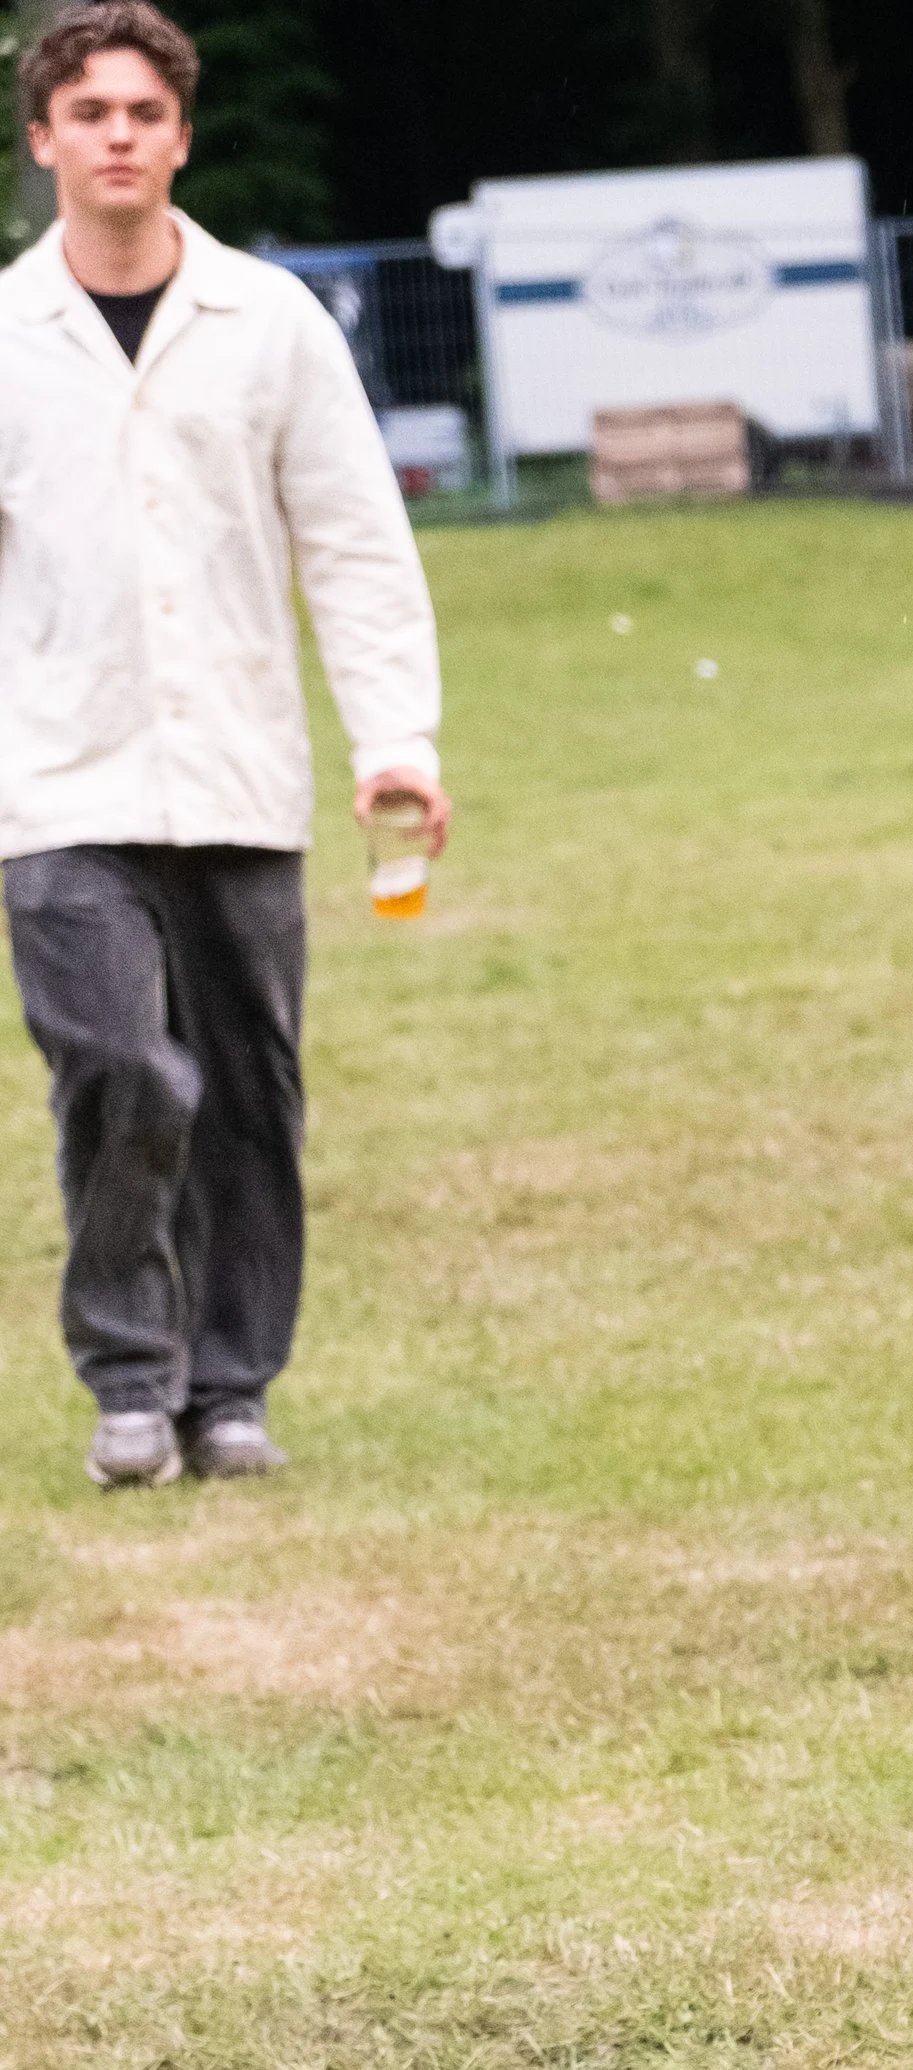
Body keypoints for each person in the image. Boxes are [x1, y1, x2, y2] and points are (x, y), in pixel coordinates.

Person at [0, 0, 449, 1488]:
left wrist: (396, 738)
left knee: (249, 1096)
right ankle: (132, 1377)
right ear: (44, 137)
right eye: (91, 113)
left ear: (180, 138)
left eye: (144, 114)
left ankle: (230, 1388)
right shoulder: (6, 336)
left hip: (244, 778)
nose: (118, 136)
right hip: (59, 777)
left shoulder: (274, 325)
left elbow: (357, 544)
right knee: (120, 1068)